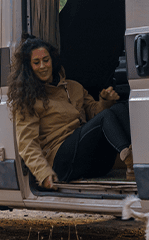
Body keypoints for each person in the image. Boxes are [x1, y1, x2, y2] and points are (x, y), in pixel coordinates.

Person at [7, 35, 134, 189]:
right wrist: (43, 173)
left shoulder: (74, 87)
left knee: (118, 108)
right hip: (61, 162)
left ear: (52, 60)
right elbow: (27, 143)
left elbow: (95, 113)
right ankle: (131, 163)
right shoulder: (29, 99)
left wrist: (105, 101)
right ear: (28, 67)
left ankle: (138, 157)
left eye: (46, 60)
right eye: (36, 62)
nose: (42, 66)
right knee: (105, 117)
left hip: (90, 161)